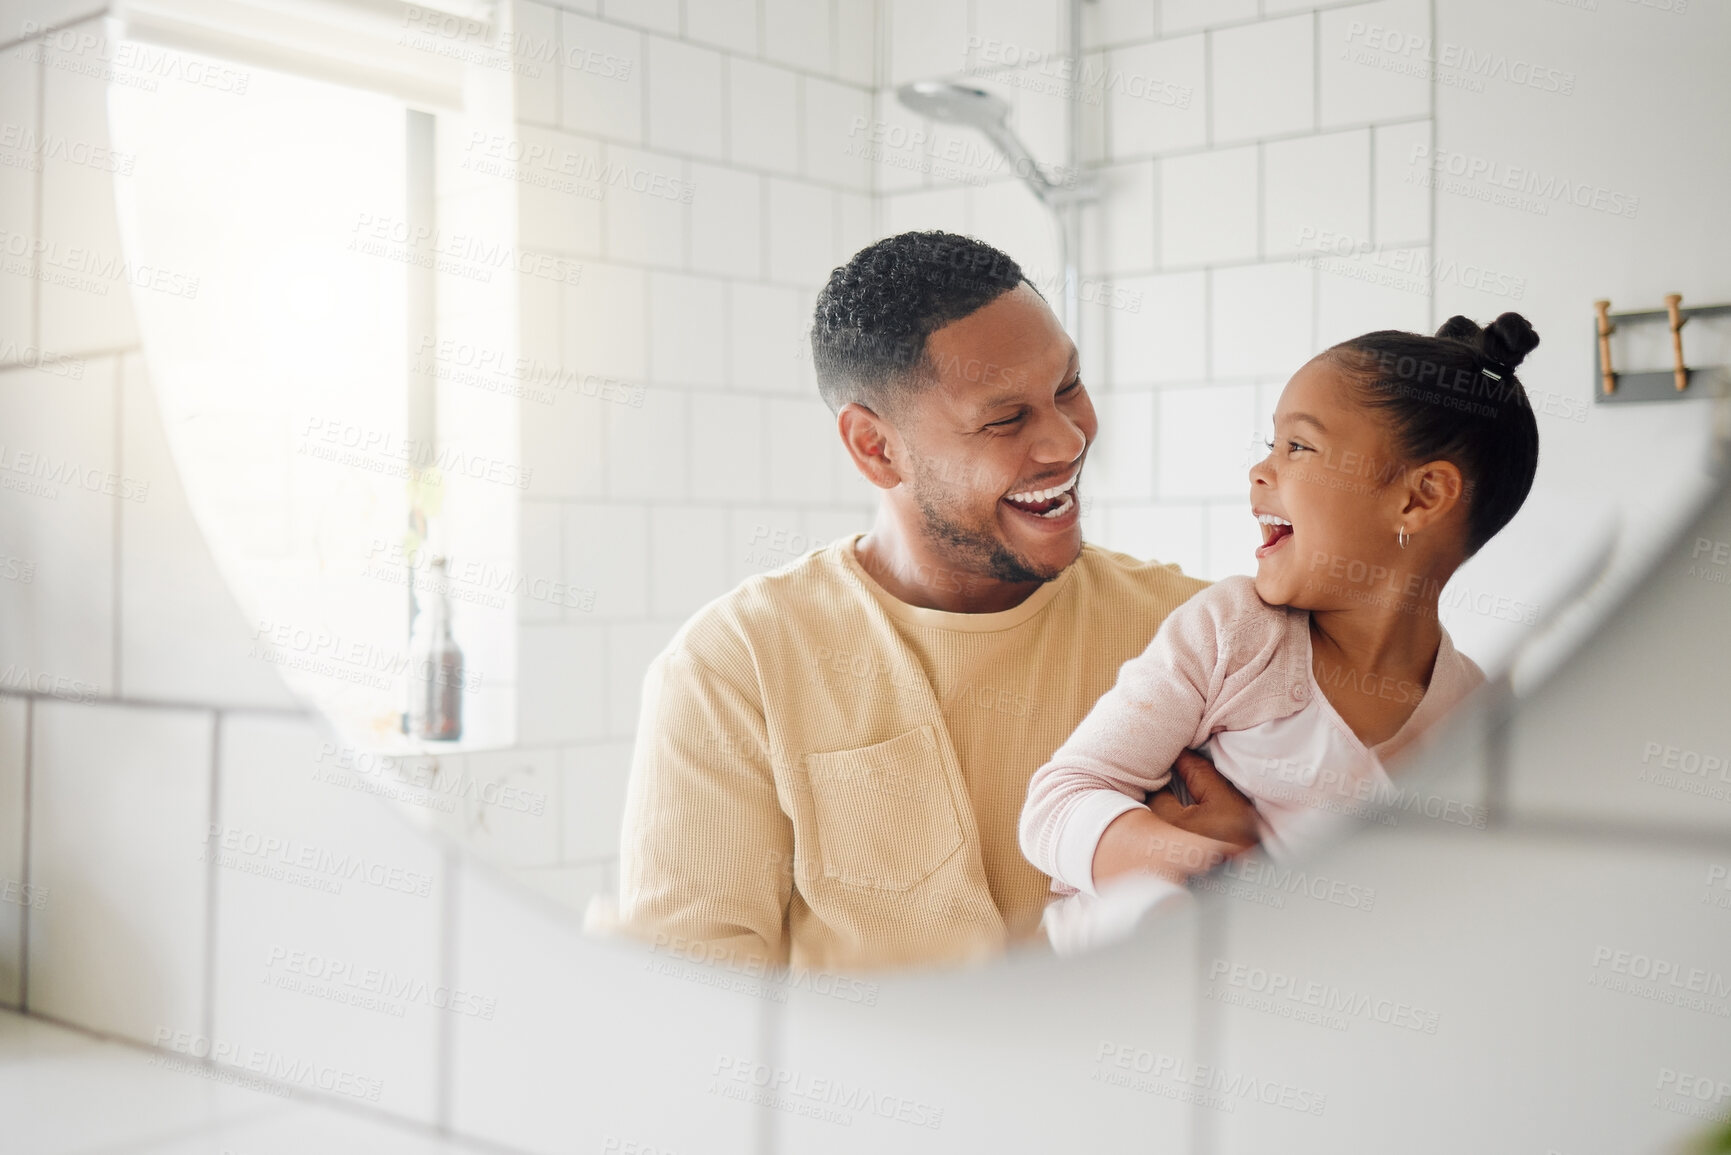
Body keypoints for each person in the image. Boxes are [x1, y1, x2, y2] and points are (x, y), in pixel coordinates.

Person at [605, 232, 1255, 973]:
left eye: (1067, 386)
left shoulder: (1199, 633)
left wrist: (1243, 870)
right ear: (875, 448)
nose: (1067, 439)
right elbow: (691, 995)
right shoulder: (735, 665)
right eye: (1005, 418)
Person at [1020, 314, 1541, 952]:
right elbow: (1060, 800)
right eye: (1271, 445)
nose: (1259, 472)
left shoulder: (1471, 715)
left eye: (1297, 447)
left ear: (1419, 498)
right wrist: (1206, 868)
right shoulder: (1234, 633)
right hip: (1118, 965)